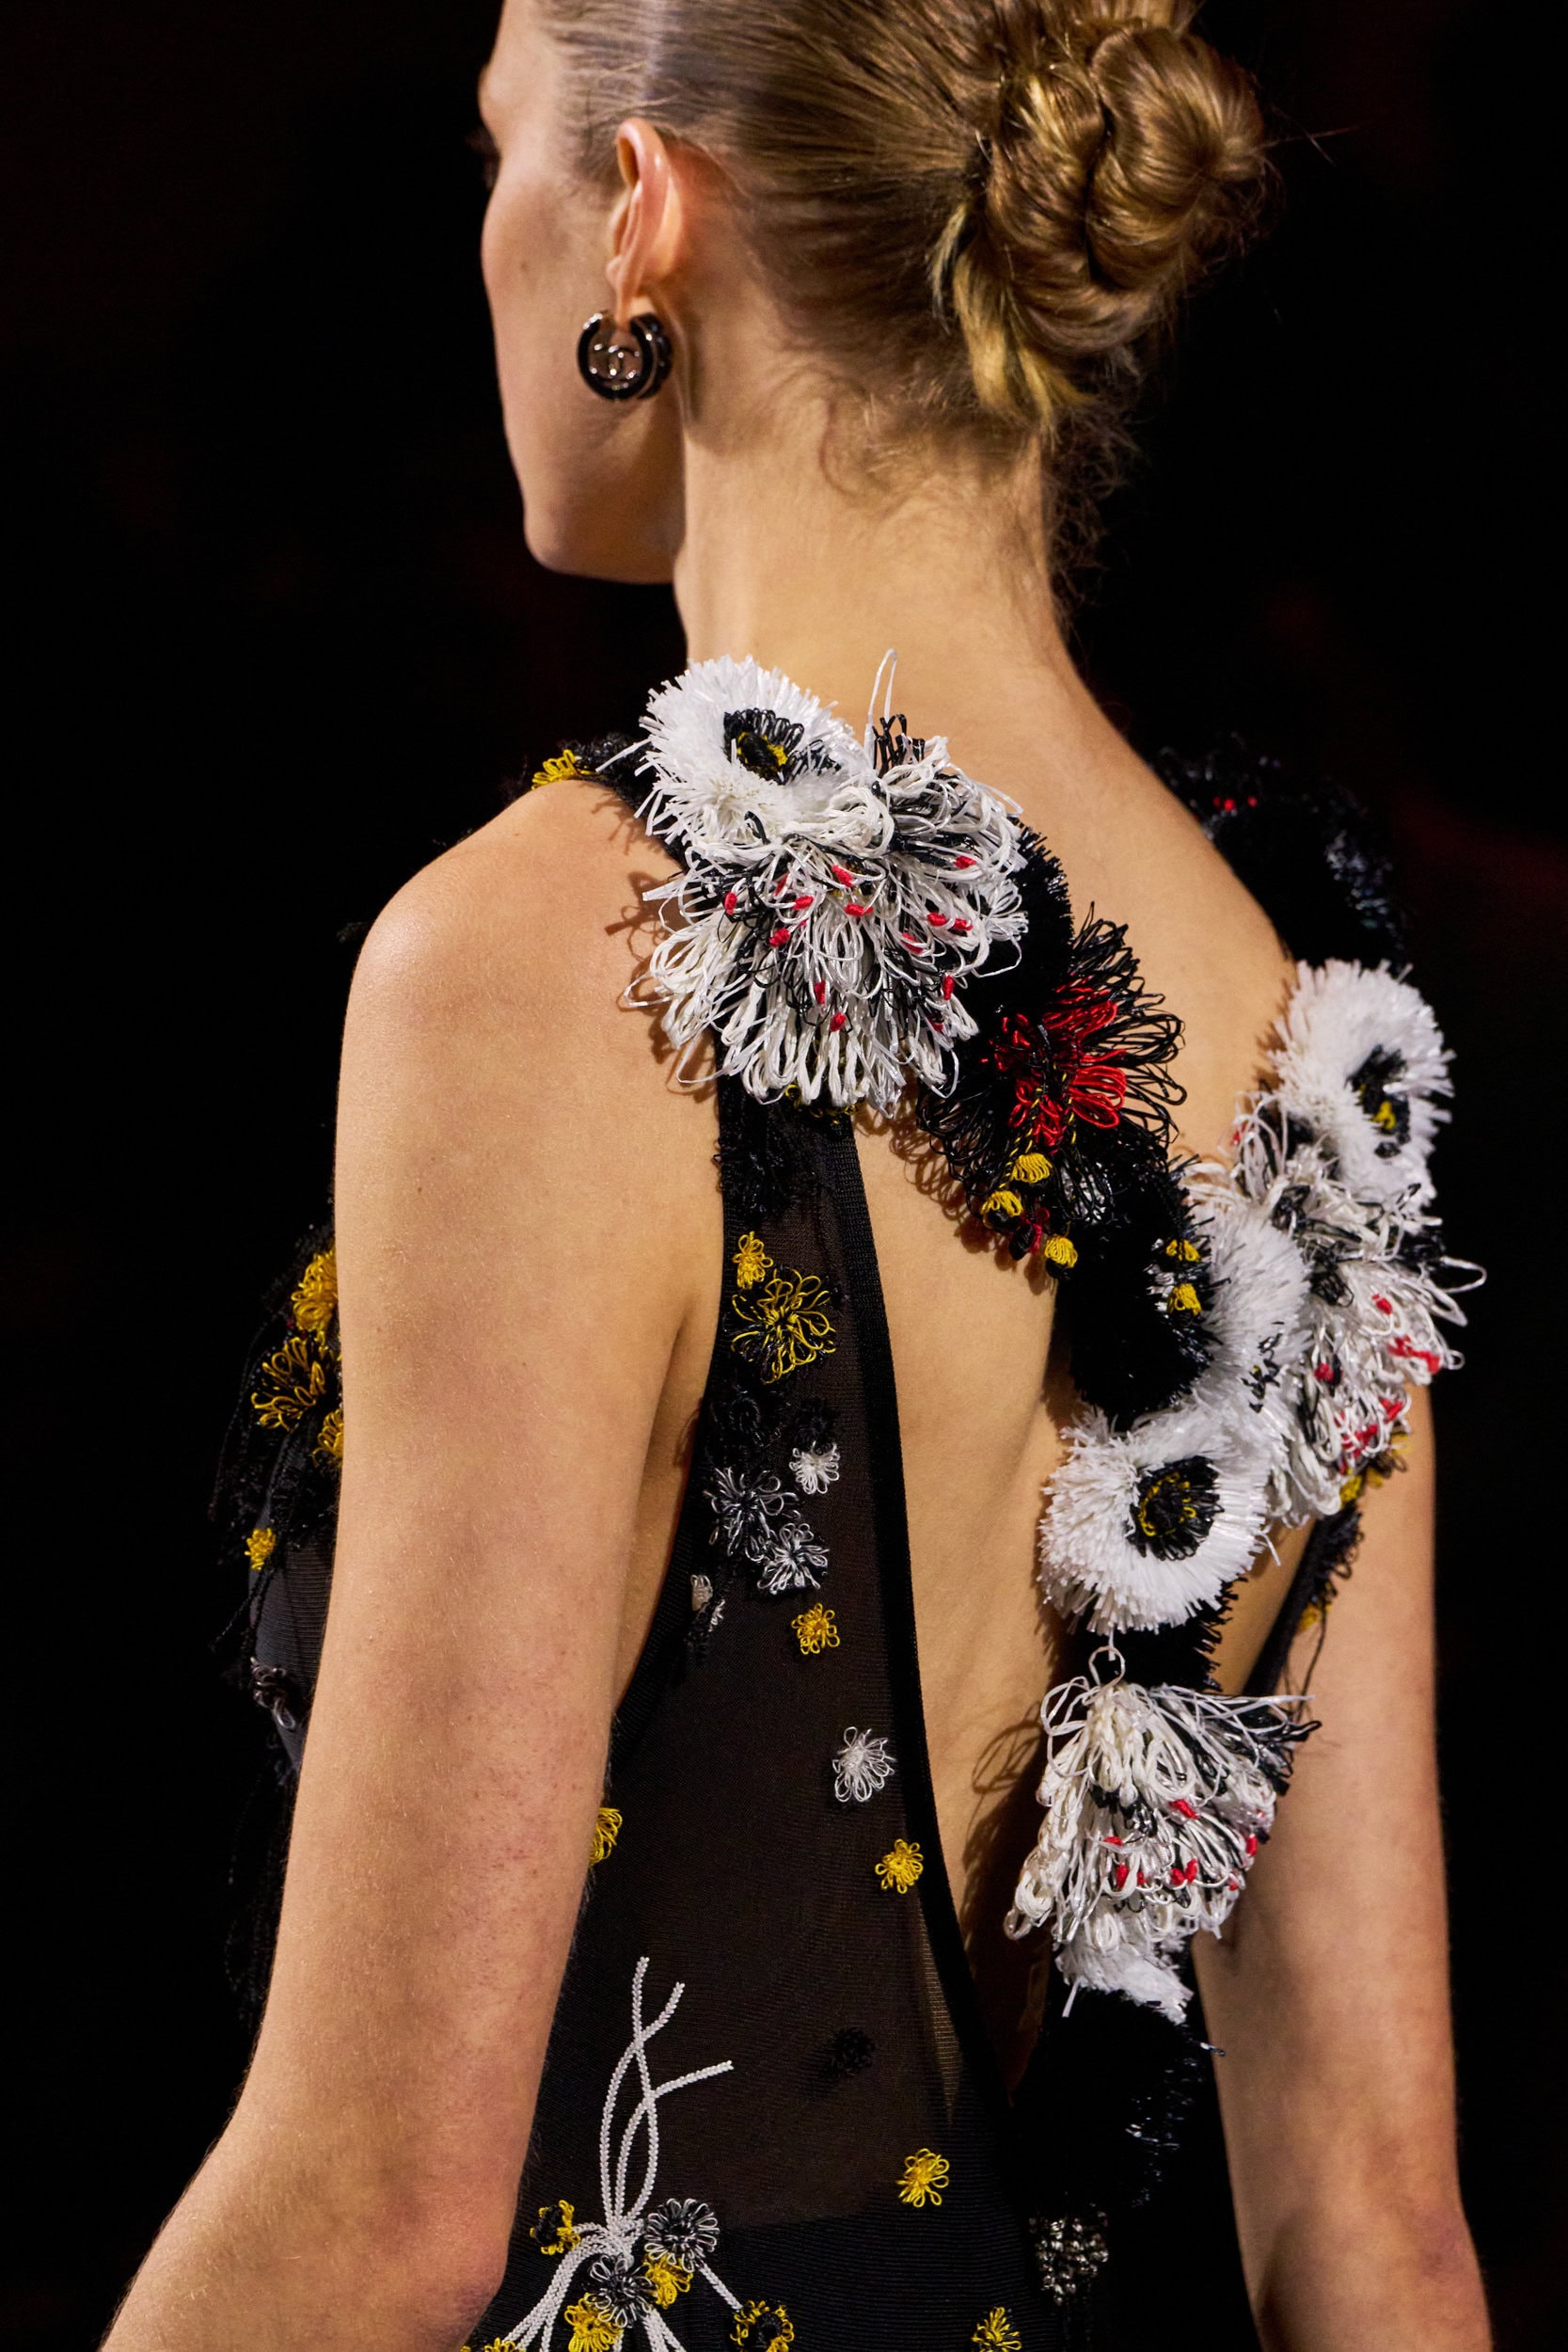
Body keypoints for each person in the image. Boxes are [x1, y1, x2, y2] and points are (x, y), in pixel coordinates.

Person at [104, 2, 1490, 2346]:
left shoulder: (563, 969)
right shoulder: (1304, 1030)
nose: (487, 230)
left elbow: (373, 2210)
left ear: (639, 212)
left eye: (497, 149)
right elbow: (1375, 2227)